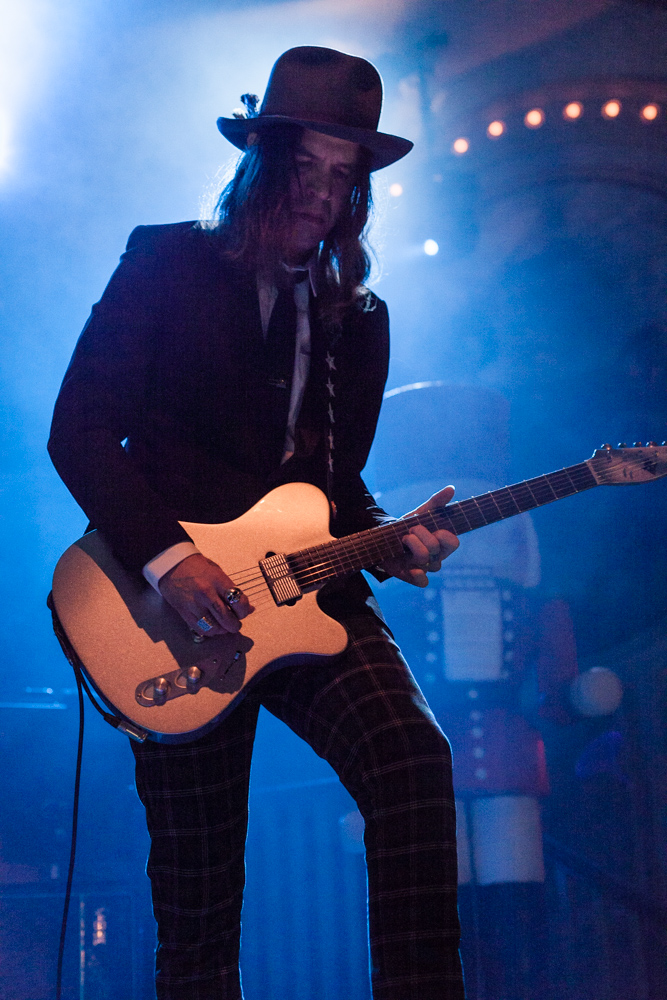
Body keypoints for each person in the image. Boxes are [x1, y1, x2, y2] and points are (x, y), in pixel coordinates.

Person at [48, 46, 465, 1000]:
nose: (322, 193)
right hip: (166, 606)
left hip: (311, 590)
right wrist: (168, 560)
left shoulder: (358, 316)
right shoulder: (165, 264)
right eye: (306, 167)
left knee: (412, 759)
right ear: (262, 162)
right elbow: (77, 431)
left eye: (342, 177)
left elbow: (334, 483)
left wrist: (395, 539)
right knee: (197, 902)